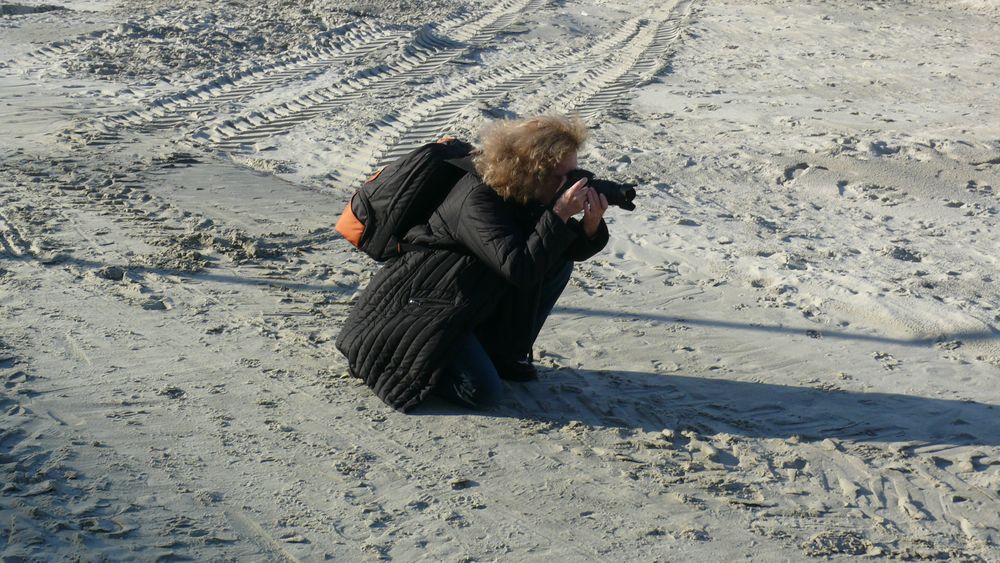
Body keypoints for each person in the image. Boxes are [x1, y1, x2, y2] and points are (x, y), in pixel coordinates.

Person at [335, 115, 610, 411]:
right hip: (421, 309)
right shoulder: (477, 198)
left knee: (558, 262)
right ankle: (392, 359)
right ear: (533, 172)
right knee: (481, 392)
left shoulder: (525, 192)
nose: (569, 184)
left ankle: (501, 355)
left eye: (574, 174)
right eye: (562, 177)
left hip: (464, 298)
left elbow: (552, 249)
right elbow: (520, 267)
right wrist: (558, 214)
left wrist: (589, 226)